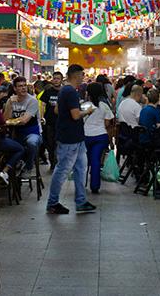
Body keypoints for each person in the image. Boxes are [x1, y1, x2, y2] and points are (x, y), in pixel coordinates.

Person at [46, 64, 97, 215]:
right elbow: (75, 116)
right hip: (70, 138)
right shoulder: (71, 92)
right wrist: (87, 111)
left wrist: (74, 108)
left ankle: (81, 201)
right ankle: (52, 203)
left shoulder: (64, 90)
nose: (83, 77)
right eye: (82, 74)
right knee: (62, 170)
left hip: (75, 137)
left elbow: (57, 110)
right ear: (76, 75)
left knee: (81, 169)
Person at [4, 76, 41, 175]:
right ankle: (8, 171)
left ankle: (28, 167)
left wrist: (11, 121)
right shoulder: (11, 100)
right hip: (16, 134)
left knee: (31, 143)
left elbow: (24, 120)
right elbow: (5, 119)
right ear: (15, 88)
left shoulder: (32, 100)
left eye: (25, 85)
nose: (24, 88)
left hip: (32, 133)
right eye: (20, 86)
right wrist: (10, 104)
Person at [84, 82, 115, 194]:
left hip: (86, 136)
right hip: (101, 136)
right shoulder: (104, 106)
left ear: (88, 93)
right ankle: (95, 186)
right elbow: (107, 124)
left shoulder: (84, 106)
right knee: (96, 160)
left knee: (84, 161)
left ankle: (82, 183)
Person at [39, 71, 63, 170]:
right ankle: (53, 162)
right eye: (54, 78)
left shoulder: (64, 92)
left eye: (58, 78)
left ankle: (59, 163)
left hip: (62, 122)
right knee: (50, 144)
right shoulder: (48, 92)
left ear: (61, 80)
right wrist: (42, 117)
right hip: (49, 122)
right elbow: (42, 105)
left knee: (60, 144)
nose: (56, 80)